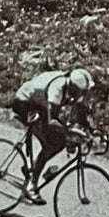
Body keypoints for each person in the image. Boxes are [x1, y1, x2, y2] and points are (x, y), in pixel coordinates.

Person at [12, 66, 94, 197]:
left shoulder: (71, 87)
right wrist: (70, 133)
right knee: (52, 141)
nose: (82, 95)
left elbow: (80, 113)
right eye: (81, 92)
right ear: (74, 88)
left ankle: (33, 167)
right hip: (24, 103)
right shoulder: (57, 89)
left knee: (59, 142)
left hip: (38, 104)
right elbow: (52, 121)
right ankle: (31, 185)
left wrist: (93, 130)